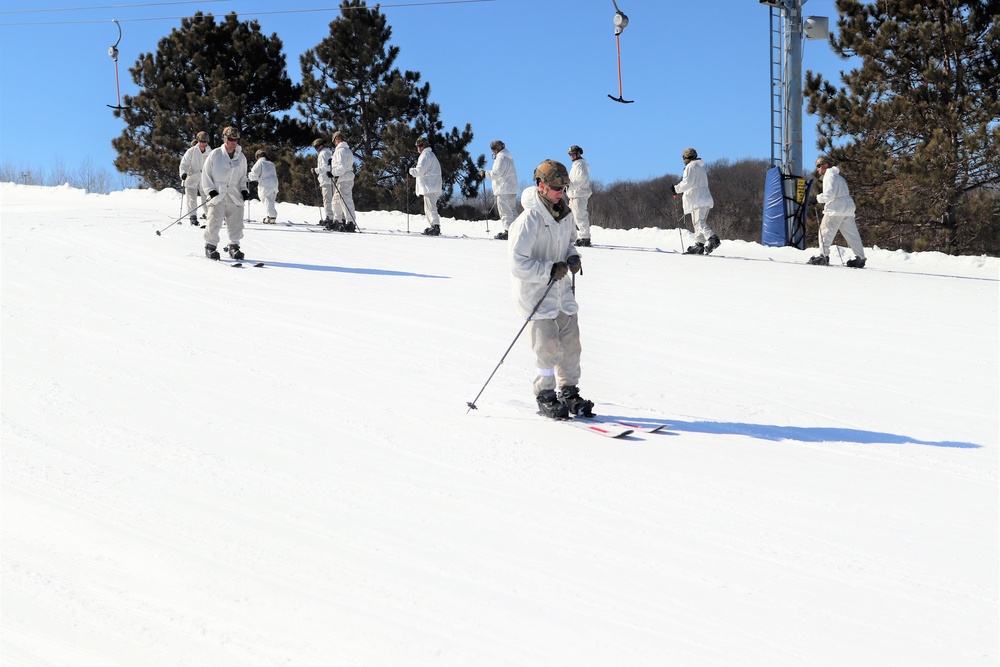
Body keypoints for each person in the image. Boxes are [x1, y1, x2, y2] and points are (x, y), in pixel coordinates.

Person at [508, 159, 592, 420]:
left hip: (562, 293)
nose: (561, 192)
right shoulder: (528, 219)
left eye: (563, 187)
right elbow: (517, 264)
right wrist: (548, 270)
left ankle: (569, 391)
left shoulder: (565, 214)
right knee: (546, 348)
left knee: (571, 345)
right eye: (556, 187)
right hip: (536, 295)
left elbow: (569, 244)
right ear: (541, 185)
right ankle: (545, 393)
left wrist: (573, 257)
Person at [201, 126, 250, 260]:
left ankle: (234, 246)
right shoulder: (215, 154)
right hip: (218, 194)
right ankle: (210, 246)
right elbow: (206, 175)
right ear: (225, 139)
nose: (233, 142)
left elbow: (243, 178)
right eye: (230, 139)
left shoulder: (242, 158)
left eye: (235, 140)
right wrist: (210, 190)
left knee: (236, 222)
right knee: (214, 219)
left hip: (234, 195)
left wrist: (244, 190)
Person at [809, 156, 866, 268]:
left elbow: (830, 195)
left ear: (825, 165)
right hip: (847, 209)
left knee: (825, 232)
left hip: (835, 209)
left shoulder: (829, 175)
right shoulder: (839, 177)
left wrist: (816, 199)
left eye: (819, 166)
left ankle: (823, 256)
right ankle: (860, 258)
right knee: (852, 235)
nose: (817, 169)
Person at [672, 147, 720, 255]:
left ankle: (713, 238)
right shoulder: (699, 166)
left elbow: (688, 183)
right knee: (697, 223)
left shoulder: (691, 166)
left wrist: (676, 189)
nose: (683, 160)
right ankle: (699, 244)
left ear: (687, 157)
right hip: (701, 198)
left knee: (699, 222)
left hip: (697, 198)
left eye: (683, 158)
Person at [479, 140, 518, 240]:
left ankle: (508, 231)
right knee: (512, 210)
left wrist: (485, 173)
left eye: (494, 149)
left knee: (505, 211)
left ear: (498, 148)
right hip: (511, 188)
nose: (493, 151)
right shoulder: (508, 157)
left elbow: (496, 174)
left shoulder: (501, 158)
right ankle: (518, 229)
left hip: (503, 189)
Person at [409, 137, 443, 236]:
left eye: (420, 146)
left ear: (425, 146)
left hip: (430, 185)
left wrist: (411, 170)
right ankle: (433, 225)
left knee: (430, 207)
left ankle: (435, 226)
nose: (418, 148)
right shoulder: (430, 154)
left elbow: (420, 171)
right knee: (429, 206)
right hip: (432, 185)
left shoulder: (426, 155)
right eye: (417, 146)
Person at [179, 131, 210, 225]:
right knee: (191, 197)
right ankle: (192, 216)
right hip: (191, 177)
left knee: (207, 198)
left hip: (204, 179)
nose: (203, 143)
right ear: (198, 140)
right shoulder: (191, 151)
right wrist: (183, 173)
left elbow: (214, 166)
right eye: (201, 141)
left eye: (205, 141)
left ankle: (209, 215)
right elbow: (184, 164)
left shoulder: (210, 152)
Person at [328, 131, 357, 232]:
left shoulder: (341, 150)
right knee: (336, 201)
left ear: (337, 139)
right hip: (342, 179)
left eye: (334, 141)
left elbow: (342, 167)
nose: (334, 143)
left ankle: (351, 222)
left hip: (344, 178)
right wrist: (332, 160)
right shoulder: (345, 150)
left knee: (346, 200)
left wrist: (333, 173)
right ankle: (337, 221)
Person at [567, 145, 593, 247]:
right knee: (571, 216)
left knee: (580, 215)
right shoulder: (575, 165)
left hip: (579, 194)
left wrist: (570, 185)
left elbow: (581, 179)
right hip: (574, 194)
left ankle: (585, 237)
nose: (572, 156)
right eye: (570, 154)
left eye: (573, 154)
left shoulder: (581, 166)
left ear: (578, 154)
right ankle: (579, 236)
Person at [248, 149, 279, 224]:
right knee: (271, 200)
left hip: (265, 184)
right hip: (274, 183)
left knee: (266, 199)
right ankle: (270, 215)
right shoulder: (271, 163)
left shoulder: (260, 162)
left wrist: (249, 176)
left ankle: (272, 216)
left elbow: (254, 174)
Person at [312, 137, 335, 226]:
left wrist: (316, 170)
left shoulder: (323, 153)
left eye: (316, 147)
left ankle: (329, 217)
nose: (316, 149)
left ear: (320, 146)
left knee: (327, 200)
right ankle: (336, 217)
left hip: (326, 180)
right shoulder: (329, 152)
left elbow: (326, 167)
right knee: (333, 200)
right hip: (331, 180)